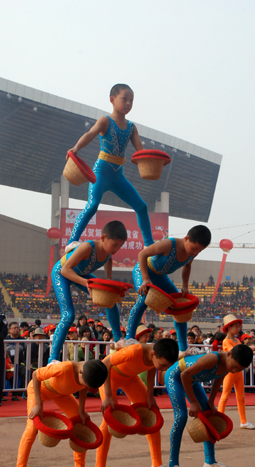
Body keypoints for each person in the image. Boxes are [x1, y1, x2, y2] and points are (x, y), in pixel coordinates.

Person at [66, 83, 153, 248]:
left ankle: (149, 245)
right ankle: (71, 242)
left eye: (131, 100)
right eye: (124, 99)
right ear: (112, 100)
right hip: (101, 172)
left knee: (141, 206)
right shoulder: (105, 121)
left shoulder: (131, 127)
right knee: (92, 205)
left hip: (118, 176)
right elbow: (90, 134)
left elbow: (140, 151)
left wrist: (152, 161)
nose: (128, 103)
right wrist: (76, 148)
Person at [12, 359, 108, 467]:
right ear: (80, 372)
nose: (84, 386)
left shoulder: (89, 370)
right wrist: (38, 404)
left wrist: (81, 410)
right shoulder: (64, 368)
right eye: (83, 382)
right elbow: (36, 376)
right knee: (32, 427)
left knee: (81, 423)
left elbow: (83, 386)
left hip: (62, 393)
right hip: (40, 390)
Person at [93, 338, 179, 467]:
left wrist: (150, 396)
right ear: (152, 354)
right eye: (164, 365)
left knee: (152, 414)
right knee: (109, 418)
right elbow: (105, 364)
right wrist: (108, 396)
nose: (165, 369)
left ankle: (157, 465)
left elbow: (152, 368)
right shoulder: (134, 351)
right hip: (110, 376)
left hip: (131, 378)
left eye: (168, 366)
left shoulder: (154, 355)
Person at [164, 344, 253, 467]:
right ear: (229, 354)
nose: (234, 371)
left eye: (239, 369)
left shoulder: (229, 365)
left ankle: (210, 462)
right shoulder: (212, 358)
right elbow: (185, 375)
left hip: (192, 381)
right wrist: (193, 402)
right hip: (175, 377)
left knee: (208, 415)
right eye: (234, 366)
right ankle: (173, 464)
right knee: (181, 416)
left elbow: (218, 380)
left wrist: (211, 401)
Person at [49, 221, 127, 363]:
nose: (116, 249)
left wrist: (108, 279)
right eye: (115, 245)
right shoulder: (87, 247)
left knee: (109, 299)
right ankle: (52, 359)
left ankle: (118, 339)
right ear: (103, 238)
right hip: (61, 273)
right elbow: (66, 270)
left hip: (82, 274)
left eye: (120, 246)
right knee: (68, 316)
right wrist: (87, 283)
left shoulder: (109, 252)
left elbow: (109, 259)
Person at [126, 225, 211, 353]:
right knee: (145, 297)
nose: (195, 253)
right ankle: (128, 339)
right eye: (194, 248)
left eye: (199, 251)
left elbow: (187, 266)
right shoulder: (169, 244)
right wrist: (145, 279)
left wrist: (185, 286)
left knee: (179, 308)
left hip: (161, 277)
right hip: (143, 271)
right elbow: (142, 254)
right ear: (187, 238)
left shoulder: (191, 253)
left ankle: (183, 348)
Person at [218, 314, 255, 430]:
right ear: (228, 327)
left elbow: (243, 352)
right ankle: (220, 421)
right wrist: (251, 349)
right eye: (235, 326)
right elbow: (235, 353)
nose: (238, 328)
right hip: (230, 372)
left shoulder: (237, 340)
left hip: (238, 372)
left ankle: (243, 421)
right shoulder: (226, 341)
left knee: (241, 397)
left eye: (238, 326)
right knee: (224, 396)